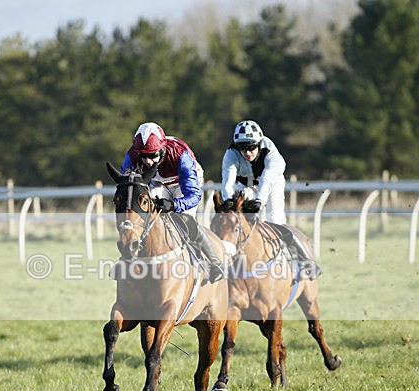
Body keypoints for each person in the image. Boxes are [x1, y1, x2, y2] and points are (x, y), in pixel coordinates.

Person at [121, 122, 225, 283]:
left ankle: (214, 263)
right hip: (158, 183)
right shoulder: (132, 157)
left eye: (153, 155)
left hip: (183, 183)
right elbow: (129, 186)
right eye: (144, 156)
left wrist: (175, 205)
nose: (148, 161)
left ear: (162, 150)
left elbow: (193, 195)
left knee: (184, 219)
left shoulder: (180, 155)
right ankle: (126, 261)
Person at [220, 120, 322, 280]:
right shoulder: (231, 154)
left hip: (271, 184)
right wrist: (229, 204)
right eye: (242, 148)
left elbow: (266, 182)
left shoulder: (271, 153)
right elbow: (227, 183)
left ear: (259, 144)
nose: (247, 152)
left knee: (275, 221)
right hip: (246, 186)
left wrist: (259, 202)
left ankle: (305, 262)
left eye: (251, 147)